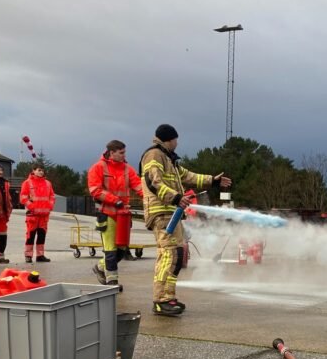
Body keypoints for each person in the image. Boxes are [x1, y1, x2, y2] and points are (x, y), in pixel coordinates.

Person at [140, 124, 231, 316]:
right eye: (175, 139)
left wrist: (212, 181)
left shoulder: (169, 159)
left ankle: (168, 297)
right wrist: (175, 197)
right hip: (162, 213)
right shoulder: (154, 155)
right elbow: (153, 181)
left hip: (172, 213)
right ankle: (160, 300)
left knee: (178, 254)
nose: (177, 142)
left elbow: (189, 176)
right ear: (168, 139)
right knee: (169, 255)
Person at [88, 140, 143, 287]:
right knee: (110, 250)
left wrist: (150, 198)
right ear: (112, 153)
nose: (124, 155)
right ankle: (112, 282)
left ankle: (100, 267)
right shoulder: (98, 168)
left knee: (122, 249)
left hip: (123, 216)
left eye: (124, 152)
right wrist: (115, 200)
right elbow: (95, 190)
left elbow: (139, 186)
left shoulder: (127, 169)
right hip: (107, 213)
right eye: (121, 153)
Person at [20, 164, 55, 263]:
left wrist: (50, 207)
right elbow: (23, 197)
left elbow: (52, 196)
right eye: (39, 170)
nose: (41, 172)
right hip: (33, 215)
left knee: (41, 236)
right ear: (33, 171)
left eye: (42, 170)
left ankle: (40, 255)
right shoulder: (27, 183)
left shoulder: (48, 183)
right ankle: (28, 255)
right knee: (30, 236)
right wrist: (32, 207)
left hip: (44, 215)